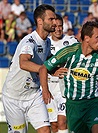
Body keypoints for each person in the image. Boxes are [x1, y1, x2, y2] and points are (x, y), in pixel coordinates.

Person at [39, 21, 98, 133]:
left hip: (93, 104)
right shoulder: (69, 52)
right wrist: (45, 90)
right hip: (73, 105)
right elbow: (44, 68)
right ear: (87, 38)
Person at [2, 4, 56, 133]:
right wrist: (42, 69)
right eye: (51, 19)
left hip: (33, 95)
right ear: (40, 21)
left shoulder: (47, 42)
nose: (55, 22)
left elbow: (49, 63)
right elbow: (23, 63)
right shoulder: (29, 41)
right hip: (13, 96)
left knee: (45, 130)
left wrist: (56, 69)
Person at [47, 14, 78, 133]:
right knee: (53, 125)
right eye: (55, 26)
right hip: (49, 87)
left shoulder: (71, 41)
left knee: (62, 122)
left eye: (60, 26)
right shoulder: (45, 43)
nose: (58, 29)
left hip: (64, 88)